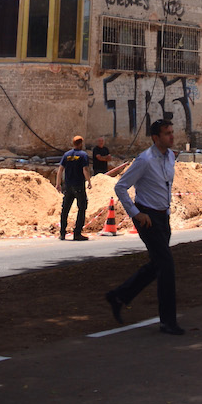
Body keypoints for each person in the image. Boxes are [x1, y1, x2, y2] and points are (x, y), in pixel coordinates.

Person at [105, 120, 184, 334]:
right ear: (155, 138)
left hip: (162, 217)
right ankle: (168, 321)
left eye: (172, 132)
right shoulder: (144, 160)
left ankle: (119, 296)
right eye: (167, 134)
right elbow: (120, 187)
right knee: (166, 267)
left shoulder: (170, 157)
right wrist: (136, 214)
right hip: (147, 218)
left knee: (158, 265)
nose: (171, 136)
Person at [56, 134, 92, 241]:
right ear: (81, 144)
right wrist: (89, 181)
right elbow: (85, 169)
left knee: (65, 209)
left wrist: (58, 184)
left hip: (68, 186)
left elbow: (60, 170)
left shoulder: (66, 155)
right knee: (82, 208)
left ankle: (62, 233)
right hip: (78, 185)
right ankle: (77, 233)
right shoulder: (83, 155)